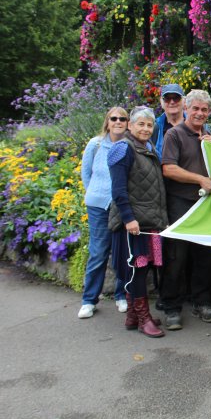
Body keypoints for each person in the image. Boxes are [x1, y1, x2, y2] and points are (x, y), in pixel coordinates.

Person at [160, 89, 211, 329]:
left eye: (204, 110)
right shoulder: (174, 135)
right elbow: (169, 169)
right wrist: (199, 179)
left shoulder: (208, 137)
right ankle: (171, 307)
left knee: (205, 256)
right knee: (176, 257)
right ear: (186, 108)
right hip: (180, 203)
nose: (199, 113)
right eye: (195, 108)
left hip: (204, 204)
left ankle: (202, 302)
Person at [108, 106, 168, 338]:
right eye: (140, 124)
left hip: (147, 221)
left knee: (142, 270)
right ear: (130, 126)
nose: (145, 128)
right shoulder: (123, 148)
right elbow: (118, 189)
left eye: (149, 125)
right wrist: (128, 218)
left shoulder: (147, 148)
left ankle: (133, 315)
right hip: (133, 224)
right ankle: (143, 318)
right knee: (136, 270)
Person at [78, 107, 129, 319]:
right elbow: (86, 173)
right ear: (107, 122)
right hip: (99, 205)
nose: (118, 122)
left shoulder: (128, 145)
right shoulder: (95, 144)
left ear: (127, 123)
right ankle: (89, 300)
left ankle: (121, 295)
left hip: (120, 205)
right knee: (98, 252)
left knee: (122, 253)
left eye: (123, 119)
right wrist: (95, 193)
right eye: (114, 118)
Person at [151, 83, 185, 157]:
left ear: (183, 101)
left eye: (176, 98)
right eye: (167, 98)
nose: (172, 102)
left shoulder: (195, 126)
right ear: (161, 102)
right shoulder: (154, 129)